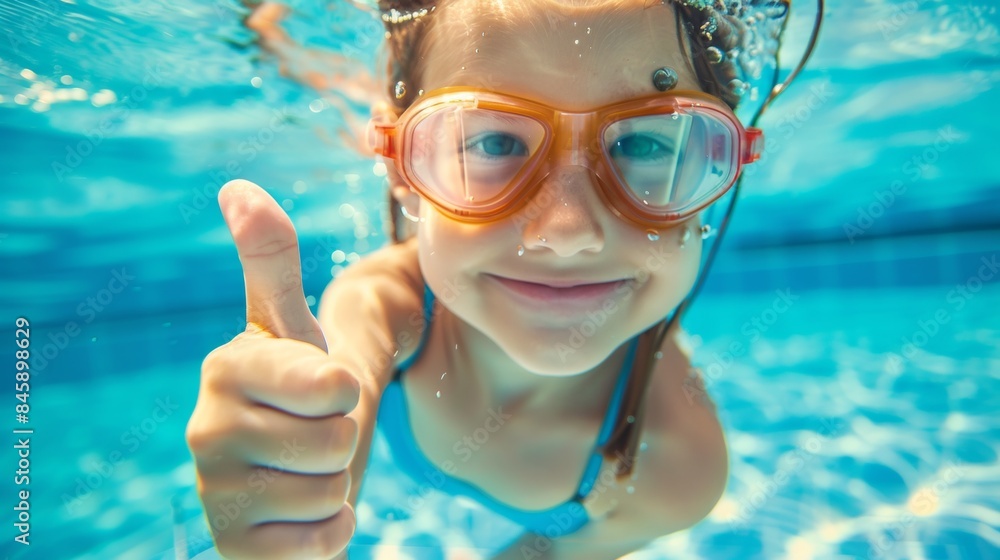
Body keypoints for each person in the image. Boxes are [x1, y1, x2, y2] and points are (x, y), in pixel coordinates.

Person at [186, 0, 818, 558]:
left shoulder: (678, 469)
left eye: (646, 146)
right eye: (491, 143)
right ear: (405, 168)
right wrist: (287, 447)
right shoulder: (387, 304)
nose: (568, 231)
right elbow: (336, 386)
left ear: (716, 170)